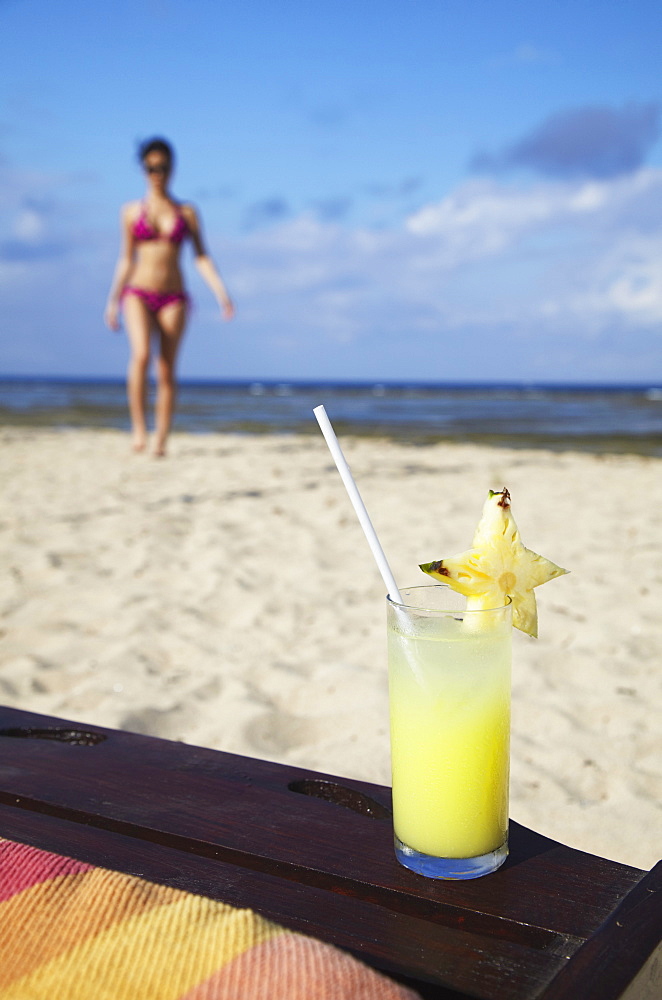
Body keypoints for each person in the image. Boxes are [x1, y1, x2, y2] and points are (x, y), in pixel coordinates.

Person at [104, 137, 234, 456]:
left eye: (162, 167)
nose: (157, 173)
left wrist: (221, 293)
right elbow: (125, 258)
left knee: (166, 368)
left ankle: (161, 436)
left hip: (174, 296)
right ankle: (138, 429)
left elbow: (201, 256)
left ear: (172, 168)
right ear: (143, 170)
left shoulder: (187, 212)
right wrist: (112, 299)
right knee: (141, 355)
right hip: (137, 292)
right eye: (150, 168)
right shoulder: (131, 212)